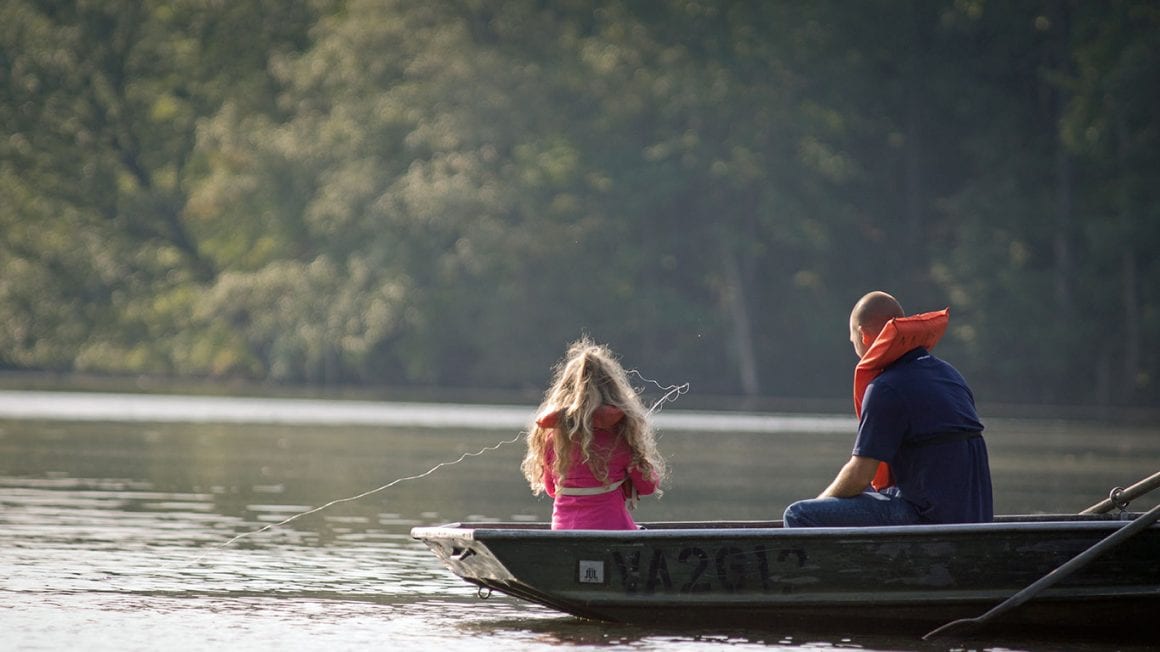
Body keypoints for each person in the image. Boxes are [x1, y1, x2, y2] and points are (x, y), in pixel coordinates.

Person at [782, 291, 993, 527]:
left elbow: (859, 475)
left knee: (799, 515)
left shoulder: (886, 388)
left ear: (862, 335)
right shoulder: (950, 375)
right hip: (974, 517)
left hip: (927, 519)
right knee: (875, 490)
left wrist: (820, 504)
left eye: (853, 341)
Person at [521, 338, 666, 530]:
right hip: (613, 531)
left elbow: (551, 489)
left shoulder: (552, 440)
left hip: (563, 532)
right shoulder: (621, 440)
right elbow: (648, 487)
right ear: (614, 394)